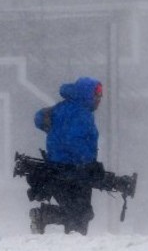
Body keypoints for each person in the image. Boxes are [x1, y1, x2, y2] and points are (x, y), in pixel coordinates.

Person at [30, 76, 103, 235]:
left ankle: (46, 217)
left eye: (100, 96)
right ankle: (45, 217)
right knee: (80, 214)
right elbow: (73, 141)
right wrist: (89, 163)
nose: (99, 99)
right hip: (75, 171)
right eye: (96, 96)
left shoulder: (62, 108)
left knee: (76, 212)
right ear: (86, 95)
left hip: (56, 169)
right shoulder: (81, 113)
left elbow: (40, 118)